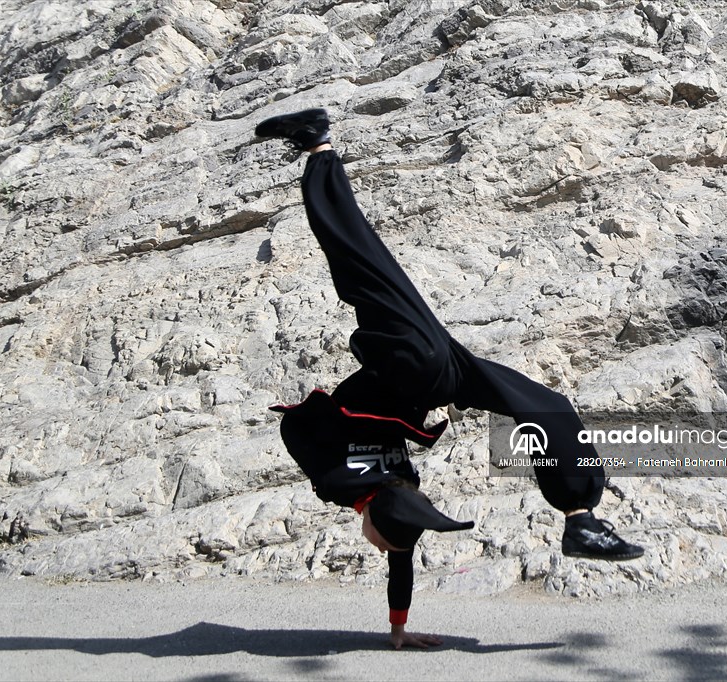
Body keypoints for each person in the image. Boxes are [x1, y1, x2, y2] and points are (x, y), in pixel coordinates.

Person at [260, 109, 643, 650]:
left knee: (362, 259)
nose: (383, 549)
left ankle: (579, 513)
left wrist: (397, 627)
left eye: (388, 542)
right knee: (546, 406)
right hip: (419, 368)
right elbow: (395, 548)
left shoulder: (346, 481)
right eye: (387, 543)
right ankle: (580, 515)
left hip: (423, 374)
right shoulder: (367, 489)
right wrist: (398, 626)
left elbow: (309, 438)